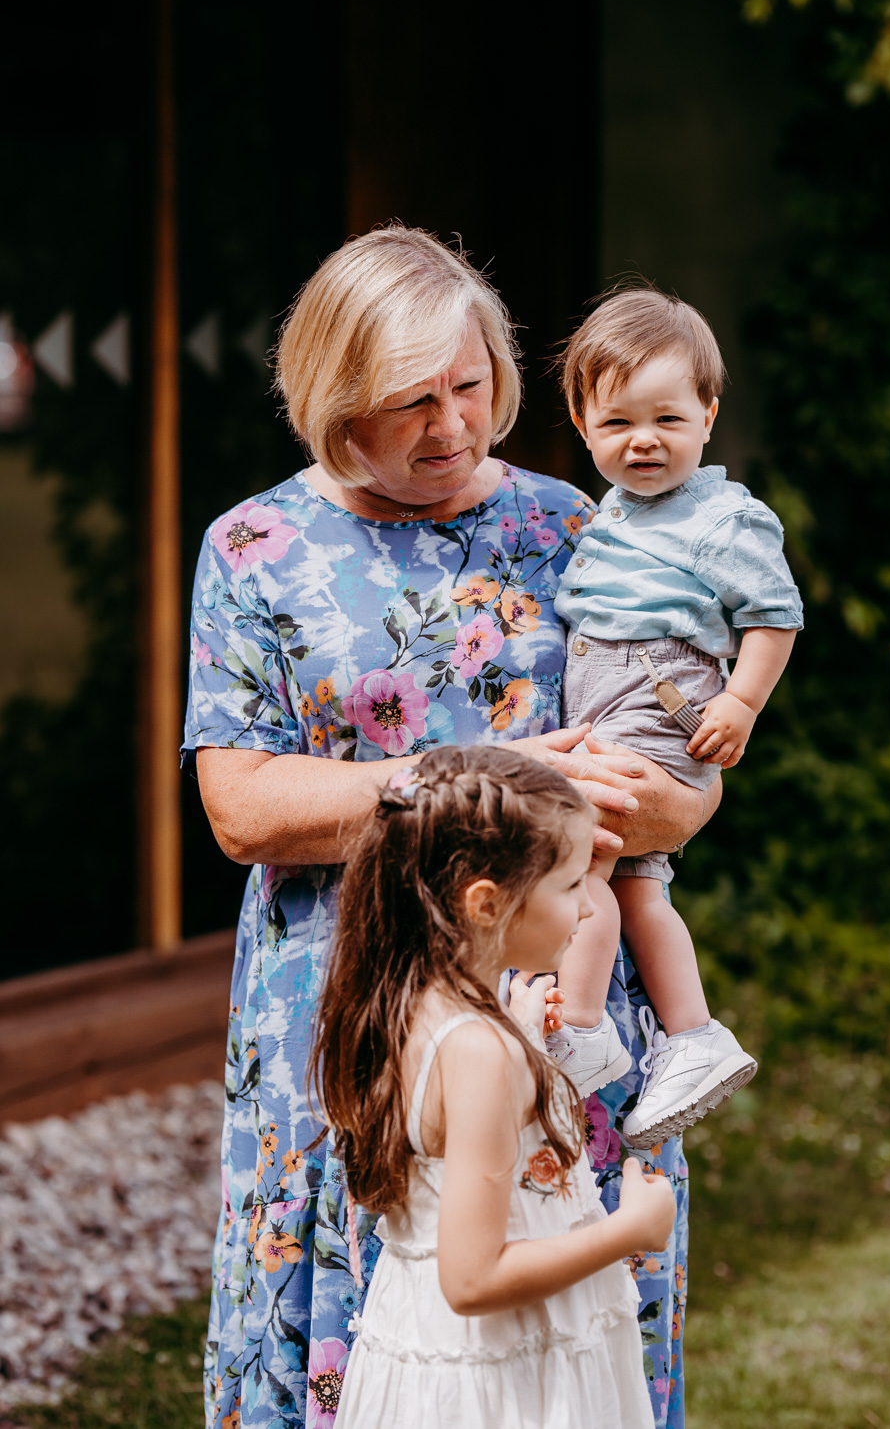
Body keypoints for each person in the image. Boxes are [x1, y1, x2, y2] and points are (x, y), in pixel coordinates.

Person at [185, 227, 719, 1429]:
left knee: (570, 1340)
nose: (450, 427)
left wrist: (658, 796)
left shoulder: (573, 529)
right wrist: (473, 779)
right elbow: (240, 809)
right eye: (408, 403)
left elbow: (684, 780)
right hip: (353, 1009)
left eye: (468, 387)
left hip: (562, 1009)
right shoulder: (255, 550)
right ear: (335, 401)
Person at [312, 746, 676, 1428]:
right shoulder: (482, 1052)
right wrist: (630, 1230)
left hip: (429, 1352)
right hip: (498, 1378)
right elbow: (473, 1280)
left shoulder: (412, 1008)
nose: (587, 910)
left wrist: (520, 1030)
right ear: (487, 903)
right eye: (569, 887)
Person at [549, 288, 803, 1148]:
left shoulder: (723, 517)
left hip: (657, 697)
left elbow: (774, 615)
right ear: (582, 424)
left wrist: (741, 702)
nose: (644, 440)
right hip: (609, 700)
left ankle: (580, 1027)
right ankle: (692, 1035)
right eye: (618, 422)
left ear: (708, 416)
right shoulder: (613, 509)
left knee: (579, 852)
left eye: (668, 418)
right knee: (636, 882)